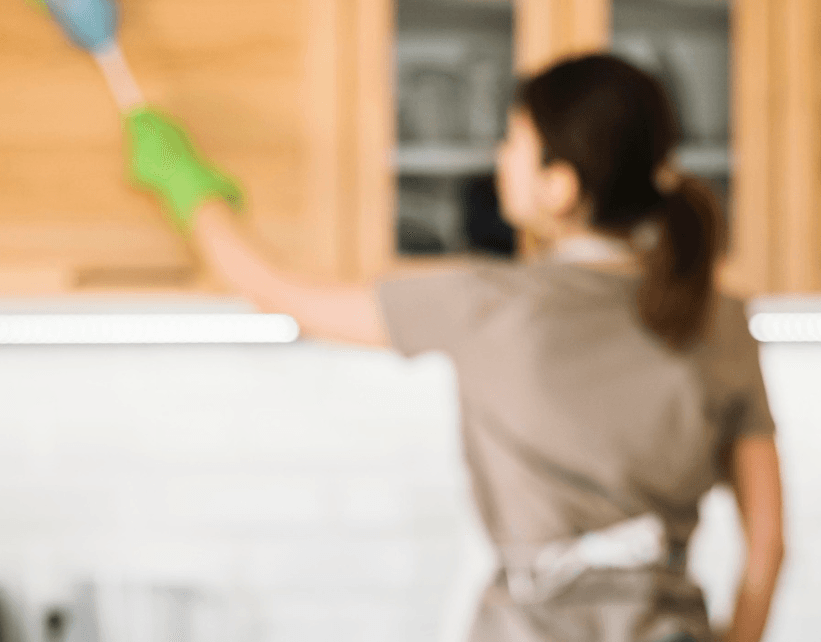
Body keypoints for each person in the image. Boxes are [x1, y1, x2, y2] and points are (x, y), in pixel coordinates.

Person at [122, 53, 785, 642]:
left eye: (514, 141)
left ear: (559, 186)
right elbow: (768, 547)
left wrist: (185, 182)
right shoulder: (721, 320)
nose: (499, 155)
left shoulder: (488, 305)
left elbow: (276, 290)